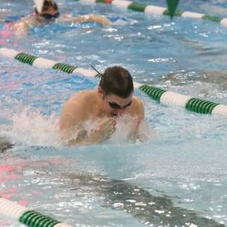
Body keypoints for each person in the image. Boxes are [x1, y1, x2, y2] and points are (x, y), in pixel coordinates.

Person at [59, 66, 145, 146]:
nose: (121, 113)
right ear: (100, 92)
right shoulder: (77, 107)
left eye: (127, 105)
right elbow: (65, 149)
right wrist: (95, 138)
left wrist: (132, 137)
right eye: (114, 105)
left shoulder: (136, 107)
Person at [8, 0, 113, 36]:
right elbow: (20, 31)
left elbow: (90, 17)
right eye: (47, 16)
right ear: (36, 14)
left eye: (55, 15)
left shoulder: (59, 20)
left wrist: (108, 24)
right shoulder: (29, 22)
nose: (51, 20)